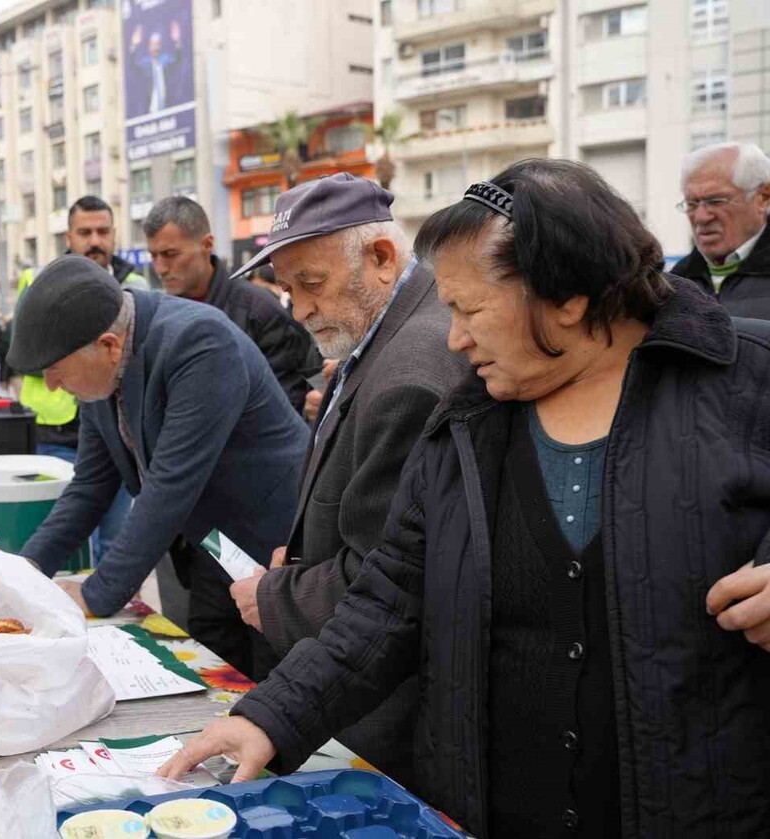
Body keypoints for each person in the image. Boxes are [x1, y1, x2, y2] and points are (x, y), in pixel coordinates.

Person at [160, 160, 770, 838]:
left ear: (566, 295)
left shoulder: (744, 382)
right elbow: (386, 605)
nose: (454, 338)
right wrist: (269, 716)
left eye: (471, 309)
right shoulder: (467, 426)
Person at [215, 174, 466, 787]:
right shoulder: (389, 331)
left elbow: (392, 576)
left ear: (381, 258)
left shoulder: (413, 367)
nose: (299, 309)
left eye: (312, 284)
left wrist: (275, 594)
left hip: (388, 711)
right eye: (287, 288)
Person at [8, 256, 307, 679]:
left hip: (274, 545)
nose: (53, 385)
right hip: (212, 546)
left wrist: (95, 595)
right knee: (217, 672)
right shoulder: (99, 369)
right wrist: (27, 572)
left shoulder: (200, 342)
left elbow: (170, 486)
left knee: (275, 680)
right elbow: (91, 485)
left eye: (55, 370)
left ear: (109, 346)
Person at [15, 196, 145, 563]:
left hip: (119, 434)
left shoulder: (133, 284)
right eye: (85, 232)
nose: (95, 241)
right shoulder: (39, 282)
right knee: (66, 533)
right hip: (55, 433)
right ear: (69, 236)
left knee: (115, 541)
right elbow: (22, 355)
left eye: (103, 231)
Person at [144, 196, 321, 414]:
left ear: (207, 245)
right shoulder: (157, 319)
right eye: (153, 256)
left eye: (170, 254)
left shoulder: (260, 312)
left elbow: (283, 408)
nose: (160, 268)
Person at [671, 142, 770, 318]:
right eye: (692, 204)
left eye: (716, 201)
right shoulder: (674, 283)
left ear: (762, 198)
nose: (700, 217)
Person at [128, 21, 184, 113]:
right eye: (153, 44)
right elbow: (131, 65)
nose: (155, 47)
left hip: (167, 109)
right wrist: (134, 45)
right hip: (149, 112)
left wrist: (177, 41)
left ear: (160, 46)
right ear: (149, 47)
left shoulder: (165, 62)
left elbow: (178, 60)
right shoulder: (145, 64)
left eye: (157, 44)